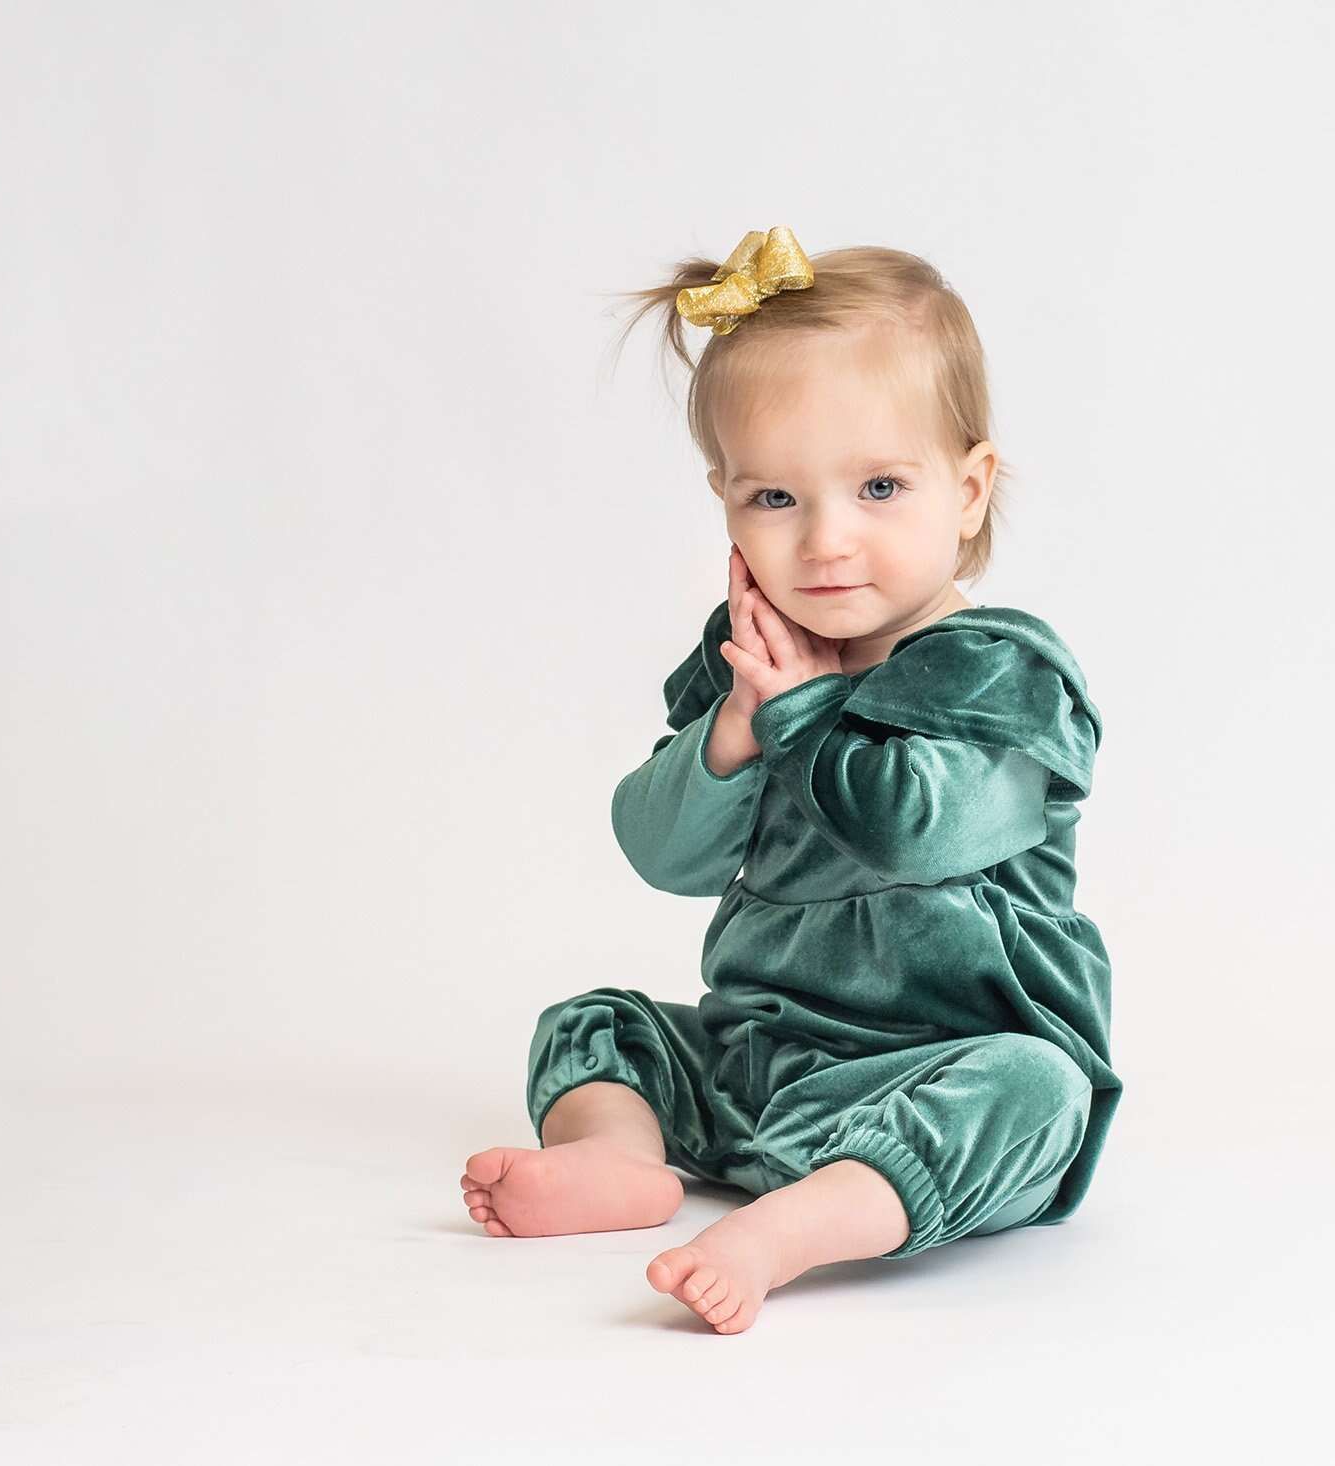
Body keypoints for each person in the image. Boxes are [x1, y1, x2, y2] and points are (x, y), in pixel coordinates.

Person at [458, 226, 1121, 1335]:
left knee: (1039, 1090)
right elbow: (662, 853)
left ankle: (794, 1227)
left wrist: (805, 713)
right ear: (723, 497)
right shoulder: (752, 654)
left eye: (876, 487)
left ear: (966, 489)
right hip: (757, 1063)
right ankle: (618, 1162)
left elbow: (915, 829)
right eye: (774, 498)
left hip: (933, 1063)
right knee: (596, 1022)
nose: (824, 542)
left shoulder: (996, 671)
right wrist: (731, 727)